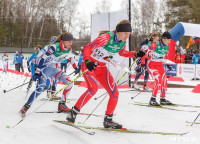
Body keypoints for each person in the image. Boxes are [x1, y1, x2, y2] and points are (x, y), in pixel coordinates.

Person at [66, 19, 145, 129]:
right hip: (90, 65)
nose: (127, 36)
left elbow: (122, 52)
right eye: (125, 33)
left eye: (129, 34)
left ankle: (108, 120)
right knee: (93, 89)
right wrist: (88, 60)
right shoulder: (106, 37)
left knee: (115, 93)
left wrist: (135, 54)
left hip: (102, 68)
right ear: (118, 31)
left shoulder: (122, 41)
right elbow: (87, 48)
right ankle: (72, 113)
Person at [19, 32, 80, 117]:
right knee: (40, 89)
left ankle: (62, 104)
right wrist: (37, 71)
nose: (71, 43)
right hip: (45, 69)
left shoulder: (69, 49)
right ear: (63, 41)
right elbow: (43, 58)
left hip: (55, 69)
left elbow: (71, 58)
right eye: (69, 41)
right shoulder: (55, 46)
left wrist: (76, 68)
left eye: (71, 41)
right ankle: (26, 106)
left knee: (69, 82)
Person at [146, 31, 173, 106]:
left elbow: (165, 56)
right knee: (158, 80)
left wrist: (167, 63)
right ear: (163, 39)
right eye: (168, 40)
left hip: (159, 65)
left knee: (164, 80)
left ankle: (163, 99)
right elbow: (145, 52)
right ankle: (152, 99)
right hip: (151, 65)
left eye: (170, 40)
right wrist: (141, 63)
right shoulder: (155, 45)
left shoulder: (167, 47)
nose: (169, 42)